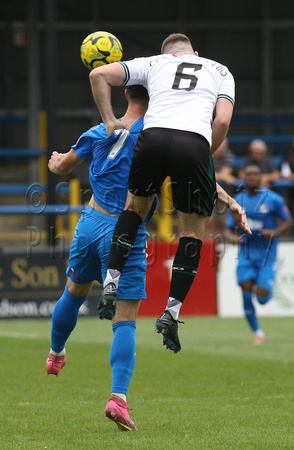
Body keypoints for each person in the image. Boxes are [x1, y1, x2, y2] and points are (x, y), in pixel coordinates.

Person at [89, 32, 251, 354]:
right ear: (196, 53)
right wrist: (205, 154)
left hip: (153, 138)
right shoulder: (219, 71)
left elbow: (98, 75)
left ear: (166, 53)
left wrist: (110, 120)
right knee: (191, 232)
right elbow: (221, 121)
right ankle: (171, 313)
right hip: (193, 143)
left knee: (134, 210)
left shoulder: (153, 64)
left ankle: (110, 280)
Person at [46, 85, 151, 431]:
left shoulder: (98, 130)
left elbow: (61, 166)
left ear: (125, 95)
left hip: (89, 223)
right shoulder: (155, 138)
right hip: (125, 230)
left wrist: (56, 159)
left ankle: (56, 353)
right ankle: (117, 399)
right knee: (125, 318)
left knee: (73, 293)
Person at [225, 165, 292, 344]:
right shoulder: (238, 200)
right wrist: (232, 237)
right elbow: (227, 228)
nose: (252, 177)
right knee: (245, 288)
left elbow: (288, 220)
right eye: (249, 174)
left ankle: (262, 283)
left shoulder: (273, 199)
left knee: (262, 298)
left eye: (255, 174)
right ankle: (257, 332)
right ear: (244, 177)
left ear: (261, 177)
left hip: (267, 255)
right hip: (246, 253)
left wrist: (276, 231)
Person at [205, 138, 236, 239]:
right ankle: (207, 248)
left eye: (224, 147)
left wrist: (218, 175)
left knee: (221, 223)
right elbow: (205, 174)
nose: (221, 149)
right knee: (207, 223)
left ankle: (218, 249)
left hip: (224, 193)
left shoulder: (228, 155)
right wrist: (222, 176)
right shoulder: (205, 152)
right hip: (206, 193)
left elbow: (226, 172)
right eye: (220, 146)